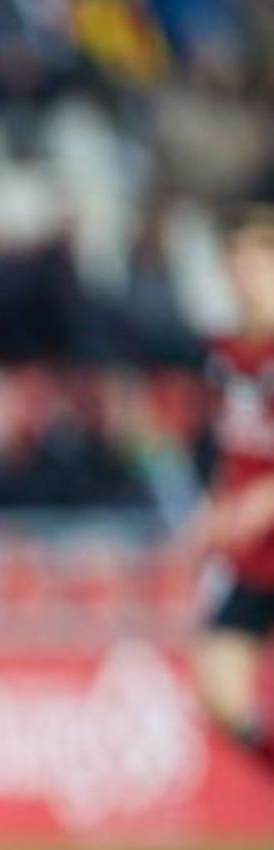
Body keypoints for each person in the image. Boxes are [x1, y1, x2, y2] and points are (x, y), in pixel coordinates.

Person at [194, 204, 274, 777]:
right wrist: (218, 507)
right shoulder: (223, 356)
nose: (244, 277)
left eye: (256, 264)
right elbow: (231, 448)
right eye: (237, 264)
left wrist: (264, 499)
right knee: (217, 681)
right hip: (254, 551)